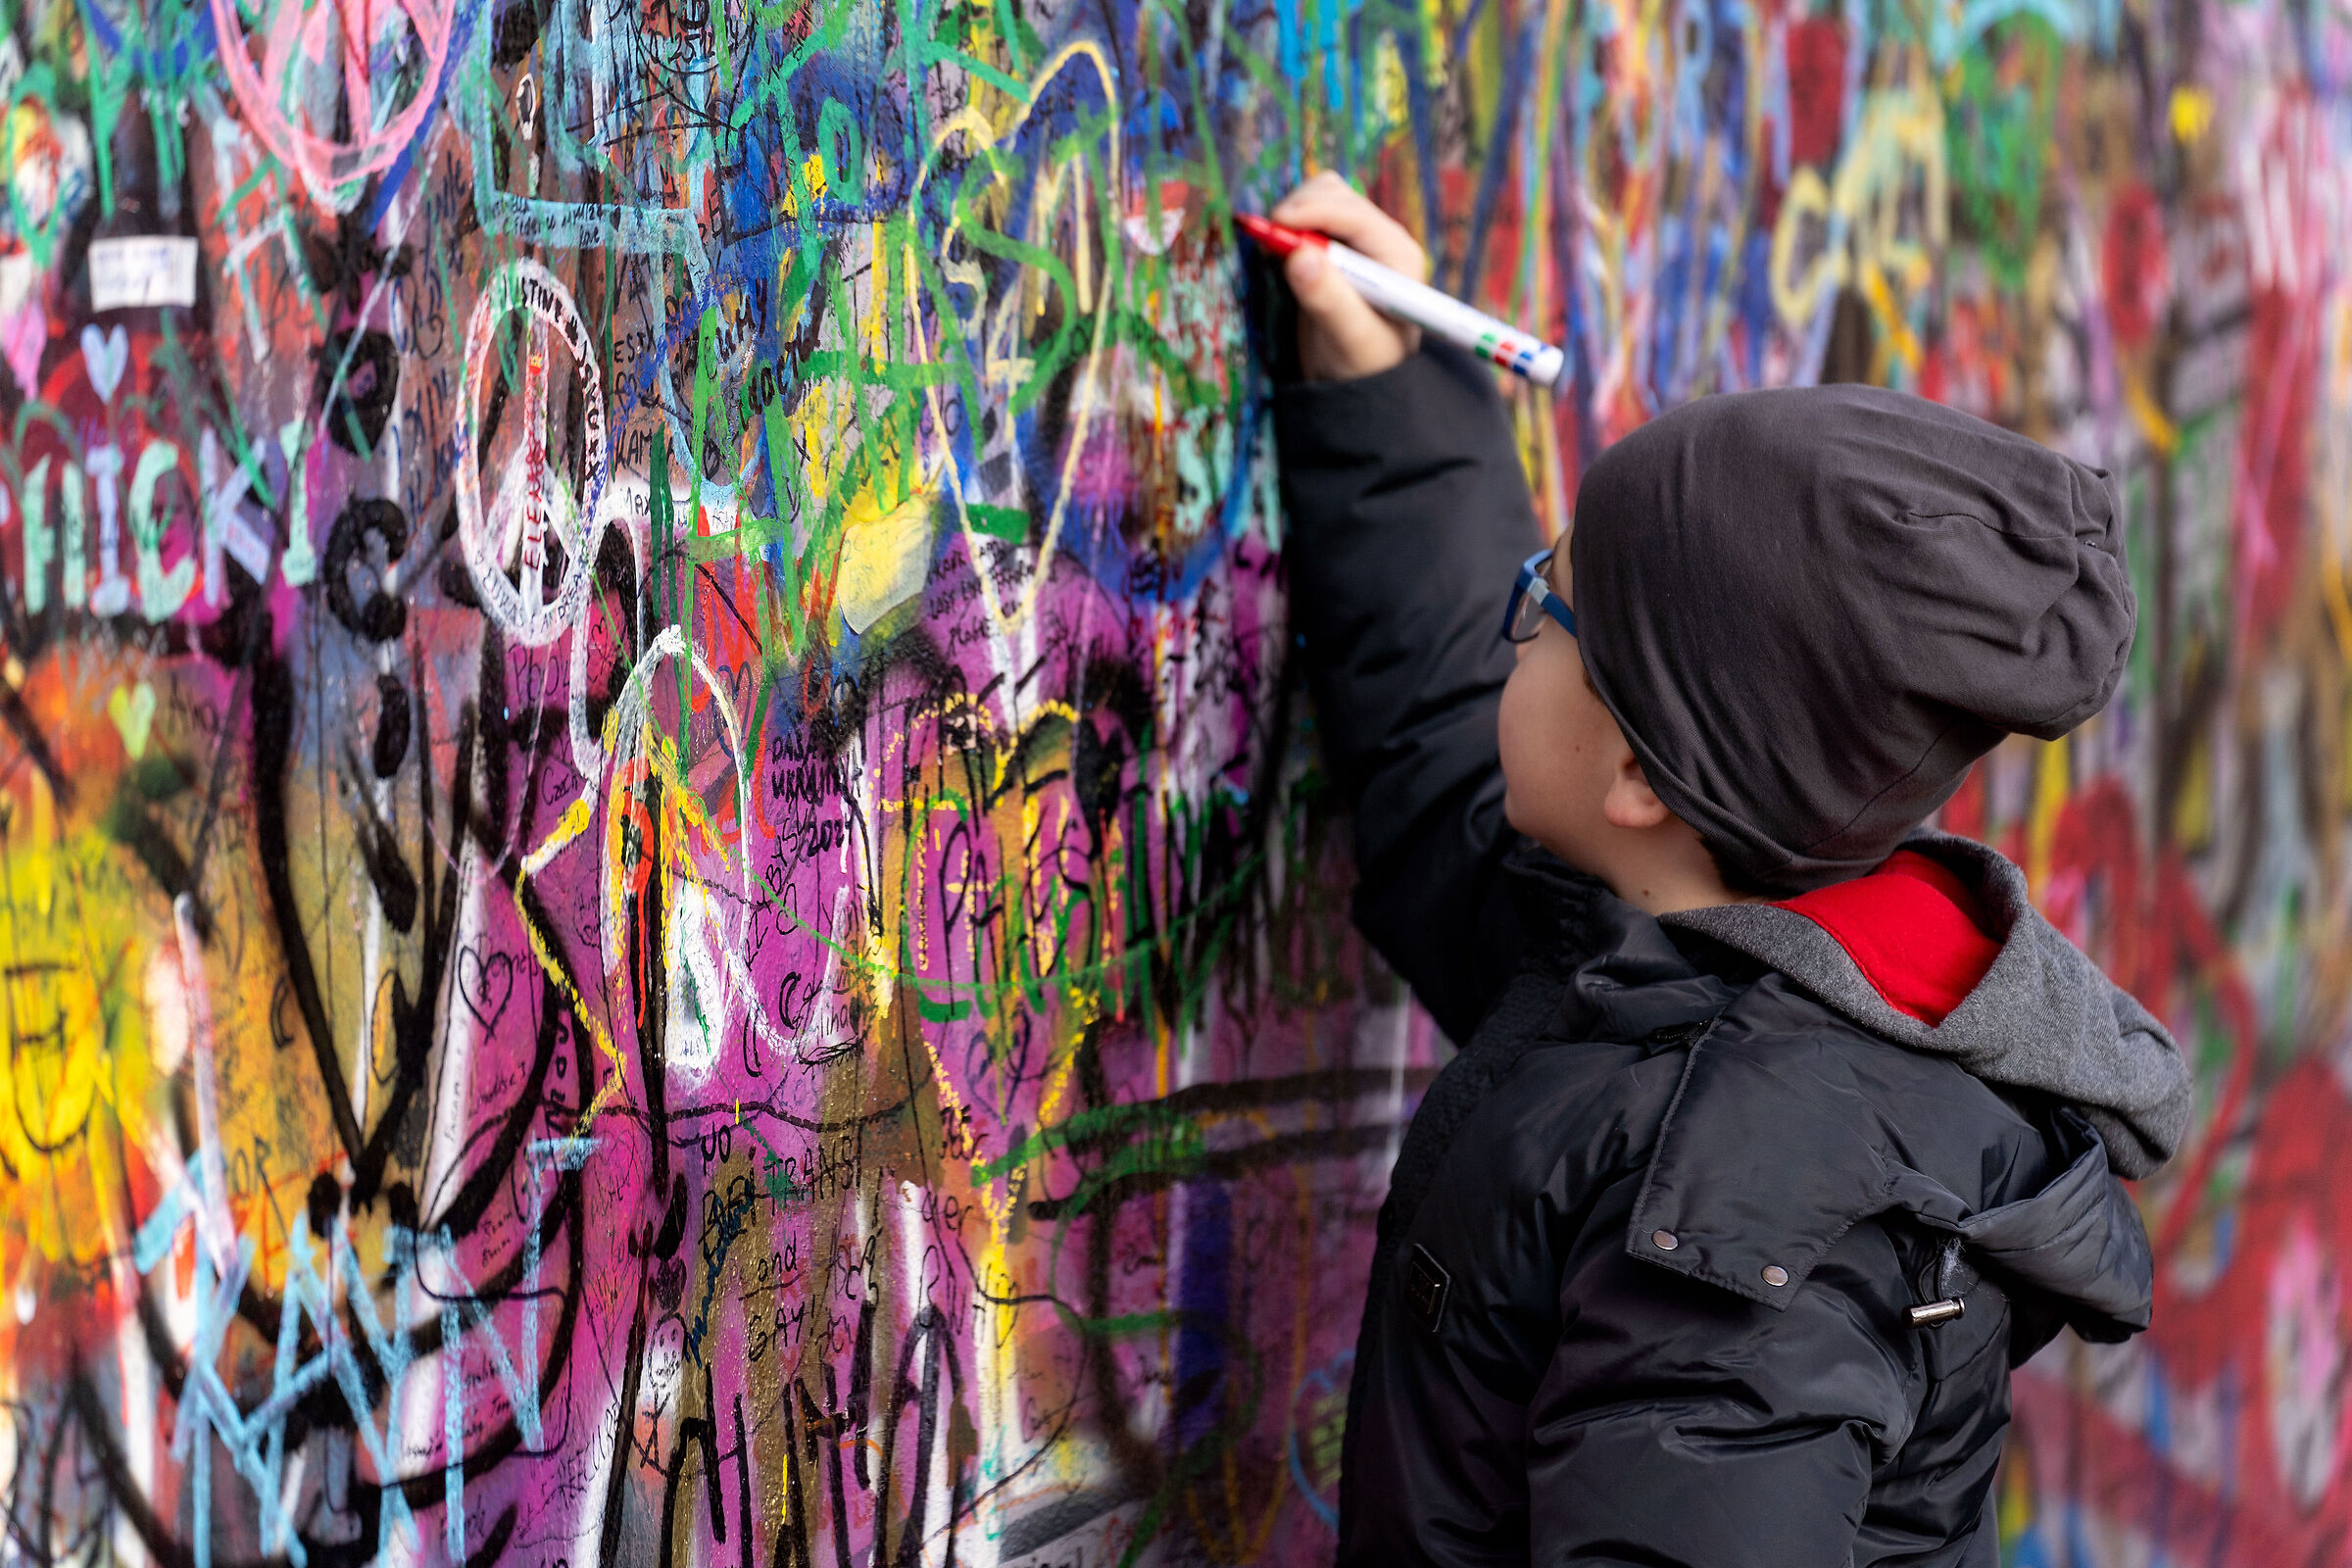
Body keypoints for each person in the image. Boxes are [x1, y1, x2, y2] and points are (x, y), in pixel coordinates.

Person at [1265, 172, 2191, 1567]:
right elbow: (1454, 775)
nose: (1516, 628)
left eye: (1547, 601)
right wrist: (1394, 394)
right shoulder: (1680, 952)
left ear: (1640, 780)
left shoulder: (1750, 1235)